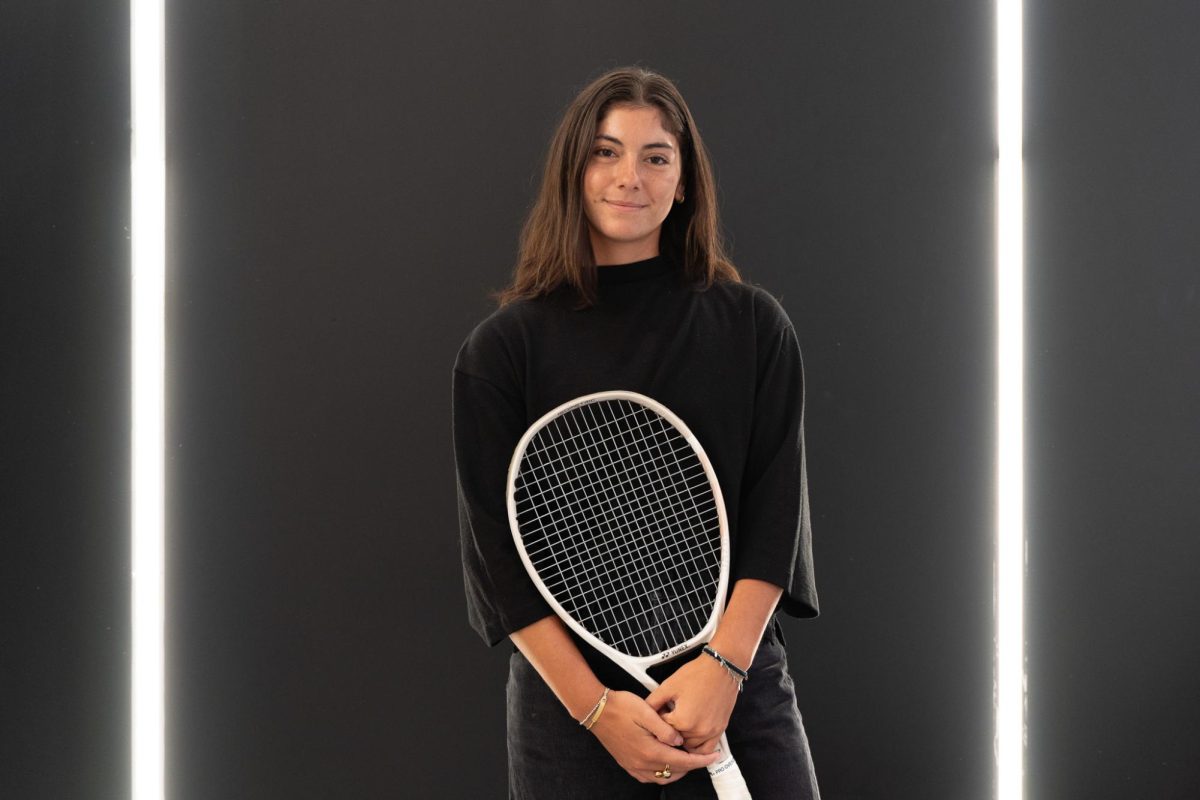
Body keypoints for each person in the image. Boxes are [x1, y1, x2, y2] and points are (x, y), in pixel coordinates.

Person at [452, 66, 820, 798]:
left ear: (684, 182)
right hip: (573, 710)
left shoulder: (753, 328)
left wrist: (722, 672)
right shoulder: (501, 352)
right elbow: (499, 561)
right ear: (574, 170)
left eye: (657, 156)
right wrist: (597, 710)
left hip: (736, 679)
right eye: (605, 151)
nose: (631, 176)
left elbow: (775, 521)